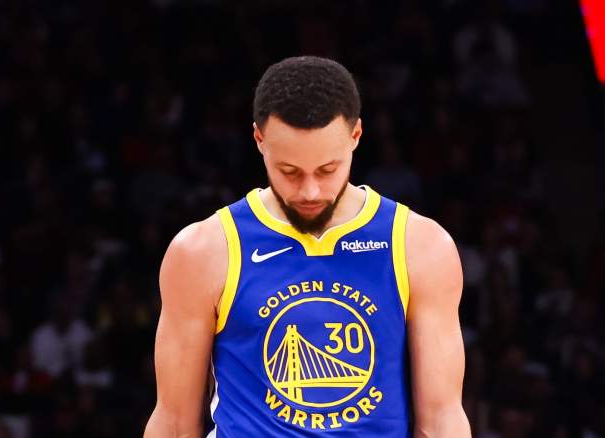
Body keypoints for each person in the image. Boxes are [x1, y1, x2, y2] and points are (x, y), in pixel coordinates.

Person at [144, 56, 470, 437]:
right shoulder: (204, 251)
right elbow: (174, 422)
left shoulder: (420, 246)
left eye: (327, 170)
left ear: (356, 135)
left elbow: (442, 419)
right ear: (259, 140)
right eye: (290, 172)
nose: (310, 191)